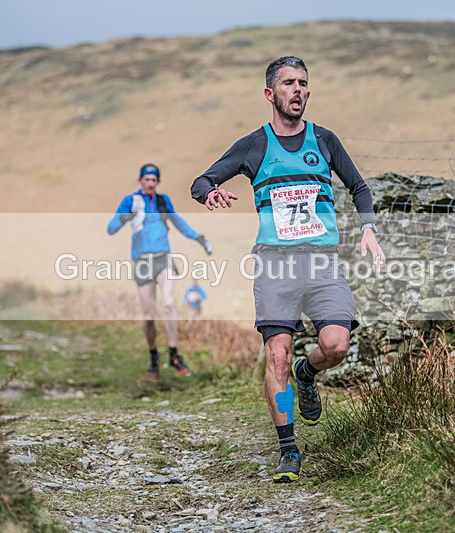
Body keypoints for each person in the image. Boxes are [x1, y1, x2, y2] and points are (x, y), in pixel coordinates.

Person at [191, 56, 384, 483]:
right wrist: (210, 194)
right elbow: (201, 182)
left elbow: (359, 187)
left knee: (336, 344)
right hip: (275, 264)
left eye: (303, 83)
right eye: (288, 83)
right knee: (277, 354)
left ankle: (307, 373)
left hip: (322, 262)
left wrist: (368, 229)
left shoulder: (325, 140)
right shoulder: (254, 146)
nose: (298, 90)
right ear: (270, 93)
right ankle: (288, 450)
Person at [108, 163, 213, 379]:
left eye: (153, 180)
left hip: (163, 259)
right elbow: (111, 229)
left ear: (158, 182)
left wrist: (199, 238)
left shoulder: (163, 201)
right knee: (148, 315)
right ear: (140, 181)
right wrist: (124, 217)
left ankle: (174, 354)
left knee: (168, 303)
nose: (150, 183)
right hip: (142, 262)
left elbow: (178, 222)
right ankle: (153, 355)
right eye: (146, 179)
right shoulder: (130, 201)